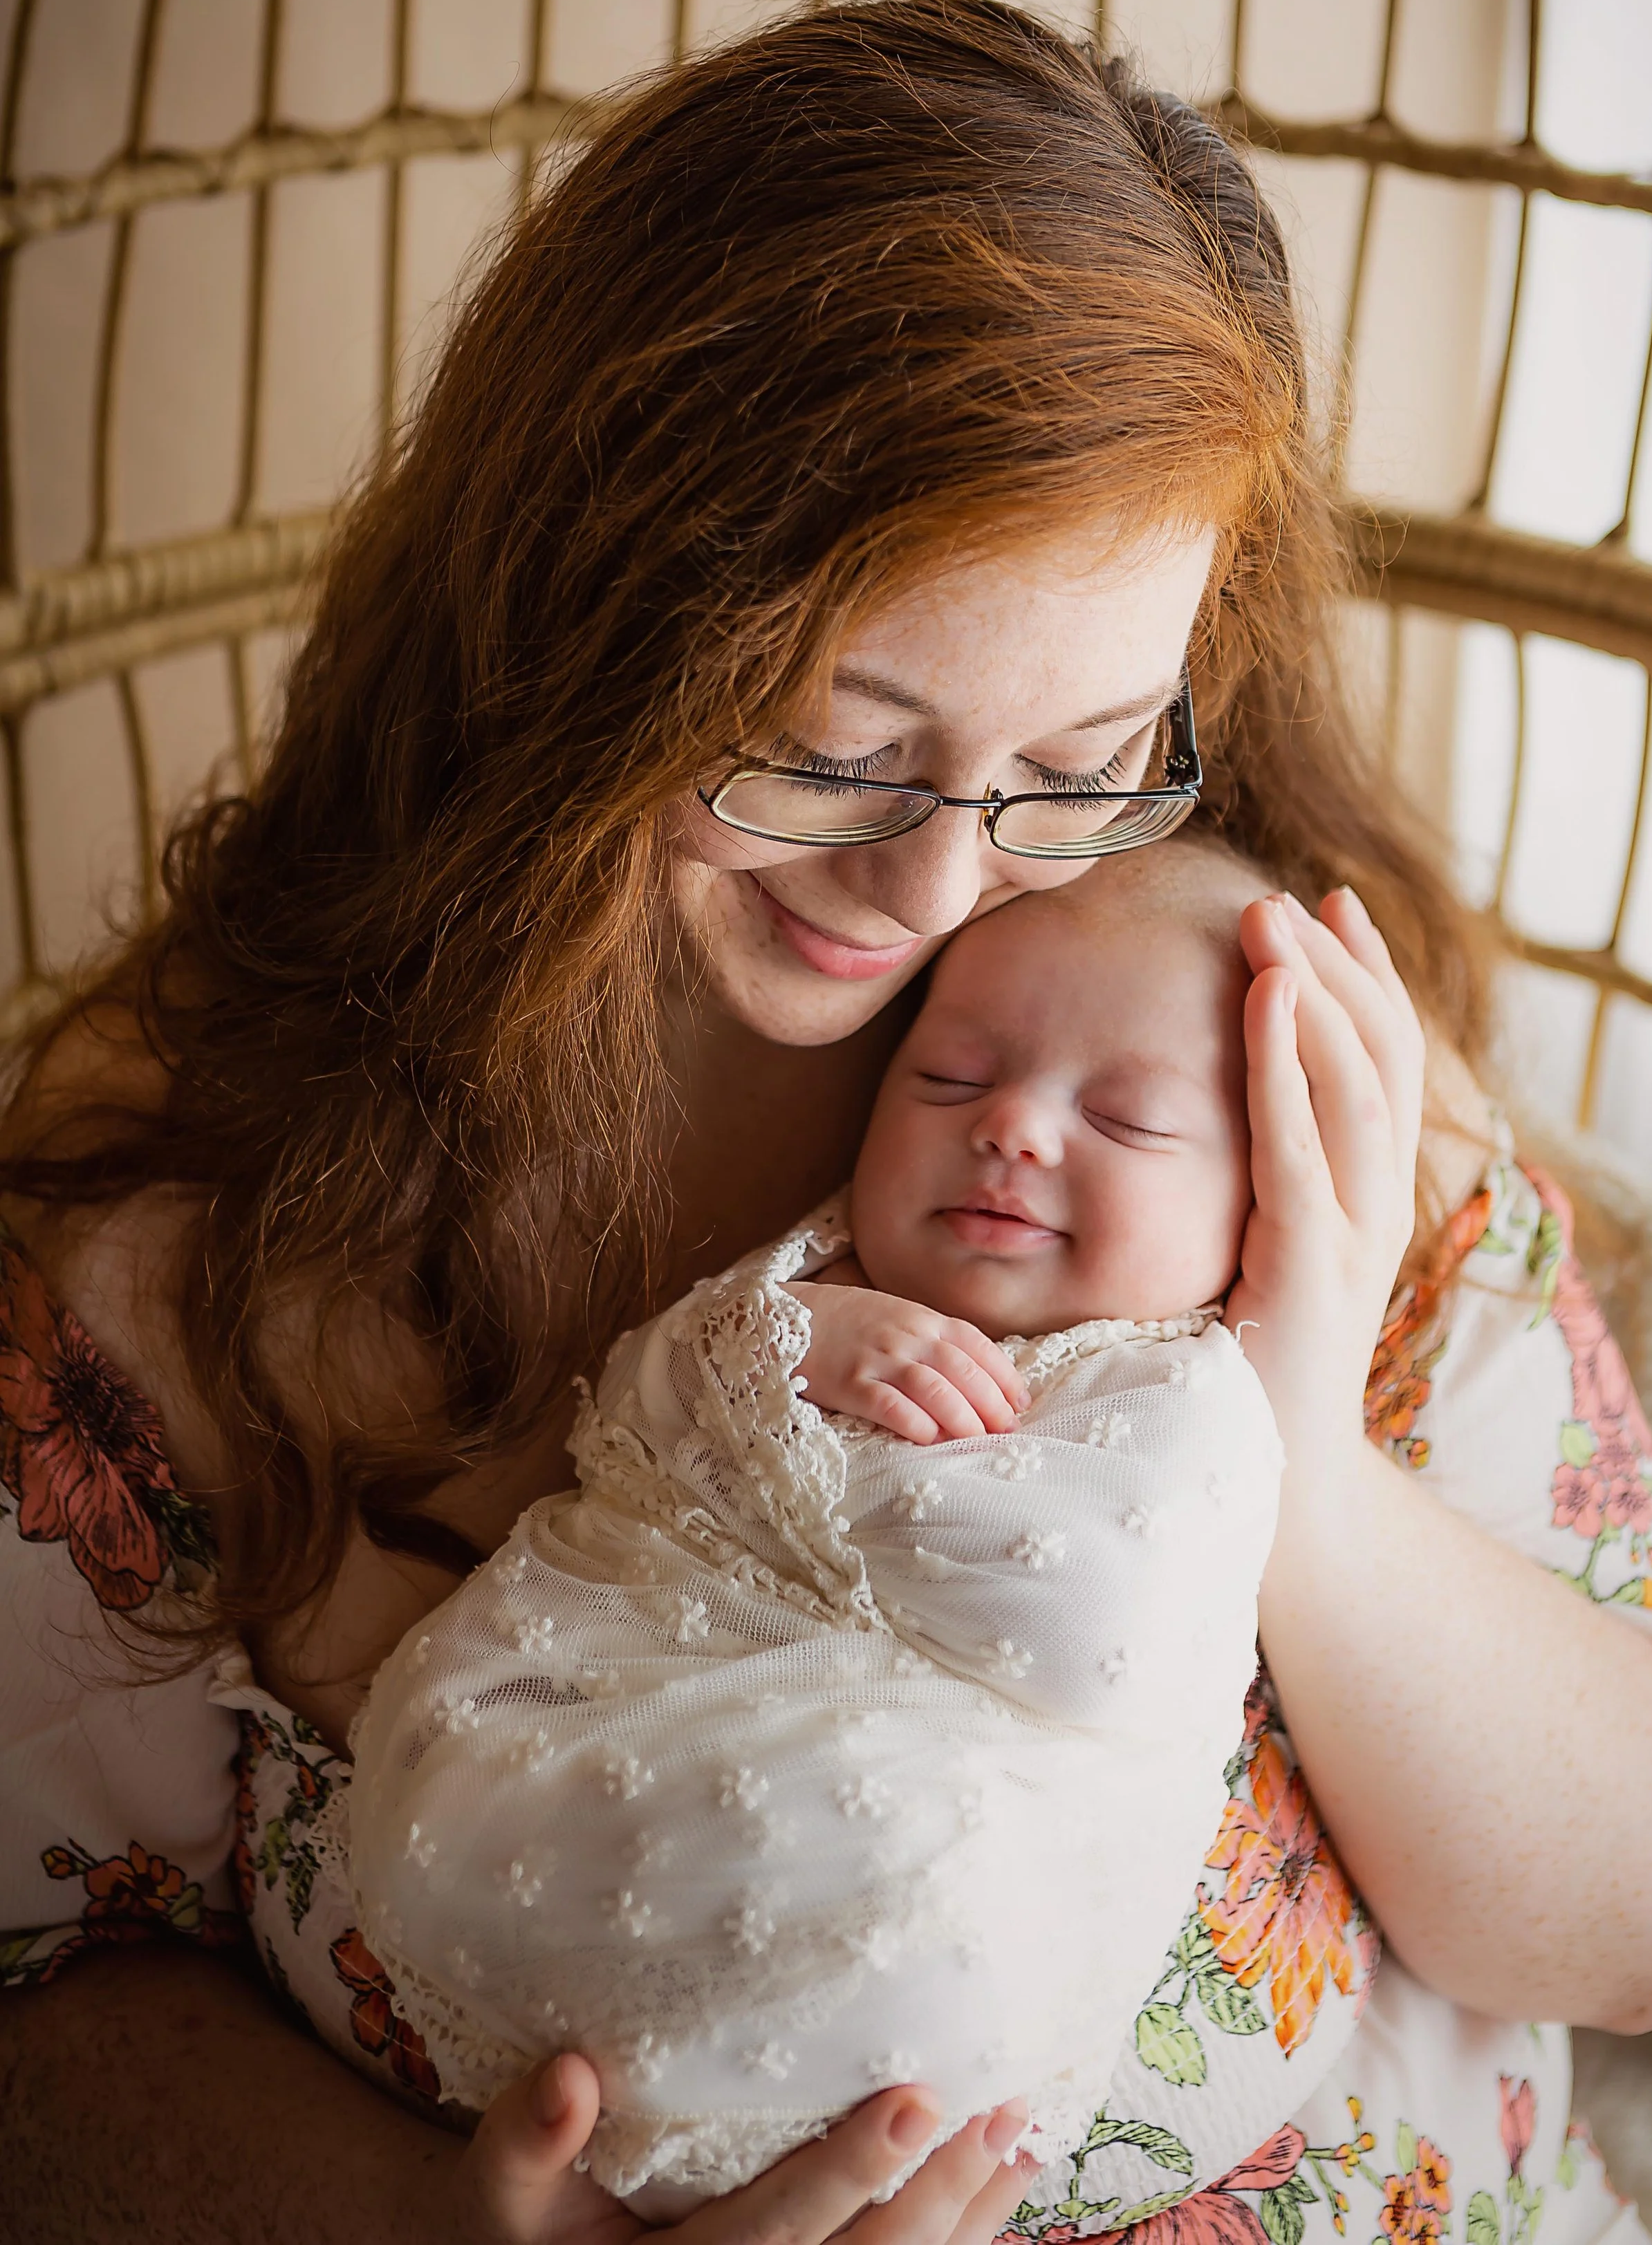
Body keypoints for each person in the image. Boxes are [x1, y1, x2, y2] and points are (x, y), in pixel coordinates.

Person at [0, 0, 1652, 2245]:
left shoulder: (1230, 1038)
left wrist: (1295, 1440)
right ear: (570, 620)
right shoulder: (182, 1218)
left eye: (1083, 755)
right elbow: (36, 1983)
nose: (936, 888)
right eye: (829, 741)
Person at [345, 848, 1285, 2210]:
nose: (1011, 1128)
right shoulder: (813, 1268)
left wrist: (805, 1475)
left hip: (880, 1912)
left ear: (1256, 1199)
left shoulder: (1183, 1391)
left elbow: (1104, 1626)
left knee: (919, 1855)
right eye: (947, 1079)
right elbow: (625, 1413)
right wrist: (779, 1342)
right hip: (573, 1759)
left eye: (1128, 1122)